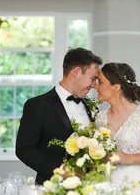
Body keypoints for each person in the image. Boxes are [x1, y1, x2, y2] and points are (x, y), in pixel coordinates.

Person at [15, 48, 103, 185]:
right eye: (93, 79)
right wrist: (61, 170)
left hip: (89, 187)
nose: (94, 85)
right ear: (76, 72)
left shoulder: (91, 107)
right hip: (52, 188)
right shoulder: (38, 105)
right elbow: (24, 149)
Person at [94, 62, 140, 186]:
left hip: (134, 183)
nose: (96, 86)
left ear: (116, 87)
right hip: (105, 185)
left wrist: (129, 158)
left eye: (100, 82)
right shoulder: (99, 119)